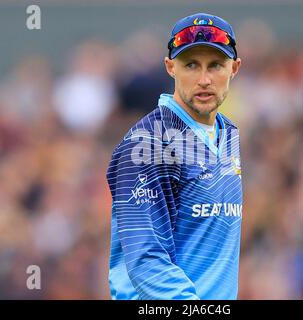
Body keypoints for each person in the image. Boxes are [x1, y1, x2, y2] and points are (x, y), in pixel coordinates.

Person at [106, 12, 242, 300]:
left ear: (235, 68)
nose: (204, 79)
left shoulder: (228, 133)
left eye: (216, 65)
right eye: (191, 65)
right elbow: (147, 261)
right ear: (170, 67)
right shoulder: (148, 145)